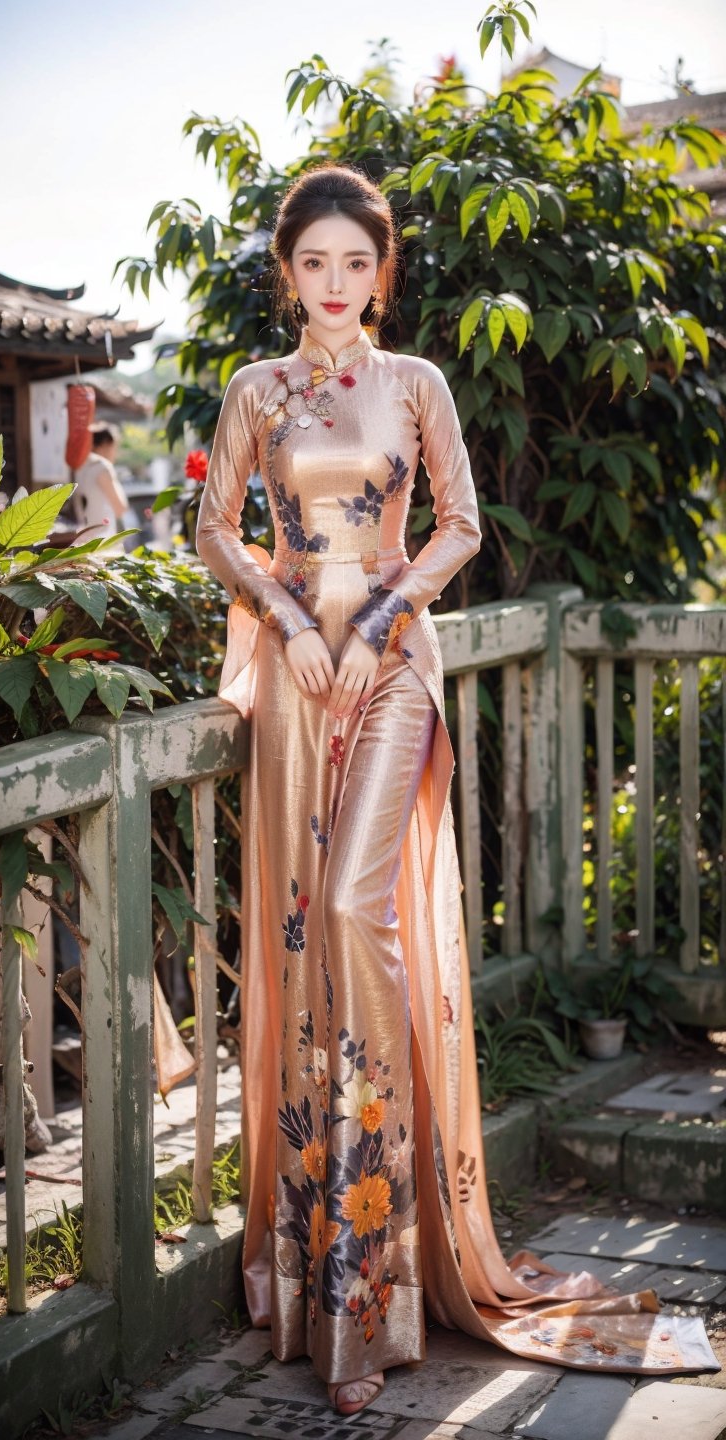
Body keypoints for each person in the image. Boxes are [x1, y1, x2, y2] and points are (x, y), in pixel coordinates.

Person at [195, 163, 717, 1417]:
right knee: (303, 942)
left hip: (390, 660)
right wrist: (284, 616)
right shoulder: (254, 392)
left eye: (355, 265)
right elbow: (214, 529)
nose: (334, 286)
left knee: (357, 917)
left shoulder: (415, 383)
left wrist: (372, 618)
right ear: (287, 273)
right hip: (296, 671)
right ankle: (318, 1270)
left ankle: (380, 1280)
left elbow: (464, 524)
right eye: (313, 264)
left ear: (384, 274)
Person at [72, 423, 129, 552]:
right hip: (102, 541)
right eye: (114, 447)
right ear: (106, 445)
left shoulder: (78, 467)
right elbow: (120, 508)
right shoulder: (102, 467)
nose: (115, 453)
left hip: (81, 540)